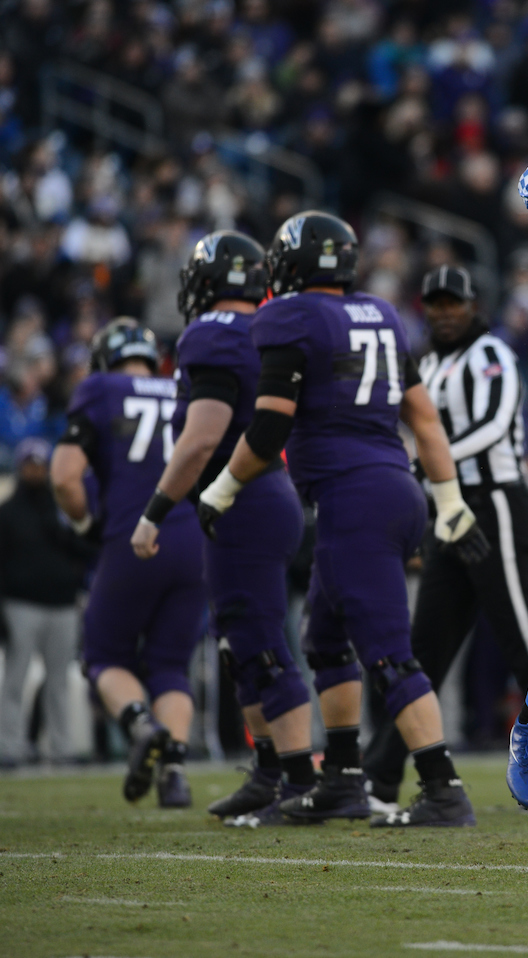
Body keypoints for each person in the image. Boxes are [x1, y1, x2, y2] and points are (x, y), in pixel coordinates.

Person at [196, 212, 488, 828]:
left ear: (292, 265)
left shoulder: (292, 315)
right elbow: (426, 419)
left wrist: (222, 487)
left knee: (386, 653)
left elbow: (271, 420)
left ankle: (443, 788)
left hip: (353, 496)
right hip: (394, 489)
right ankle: (343, 780)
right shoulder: (380, 313)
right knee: (324, 640)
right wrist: (450, 500)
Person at [363, 265, 528, 819]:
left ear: (474, 305)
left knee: (526, 640)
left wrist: (424, 464)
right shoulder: (424, 361)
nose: (445, 313)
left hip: (493, 501)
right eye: (435, 304)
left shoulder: (492, 353)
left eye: (455, 303)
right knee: (423, 650)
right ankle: (378, 779)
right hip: (447, 507)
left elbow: (497, 423)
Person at [130, 230, 316, 826]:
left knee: (259, 643)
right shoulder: (267, 325)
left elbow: (203, 435)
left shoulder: (210, 333)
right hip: (265, 496)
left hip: (243, 500)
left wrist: (155, 509)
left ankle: (298, 780)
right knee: (241, 644)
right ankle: (267, 771)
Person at [49, 318, 206, 807]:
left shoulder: (99, 388)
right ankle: (175, 771)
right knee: (170, 664)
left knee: (103, 654)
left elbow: (64, 478)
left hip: (134, 538)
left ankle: (141, 725)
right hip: (194, 542)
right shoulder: (181, 388)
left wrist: (85, 526)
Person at [0, 437, 94, 765]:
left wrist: (68, 532)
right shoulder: (8, 513)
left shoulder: (60, 512)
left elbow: (85, 549)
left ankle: (61, 746)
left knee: (59, 682)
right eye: (30, 465)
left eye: (41, 465)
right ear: (21, 467)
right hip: (21, 605)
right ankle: (9, 747)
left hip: (62, 604)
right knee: (15, 678)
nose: (35, 471)